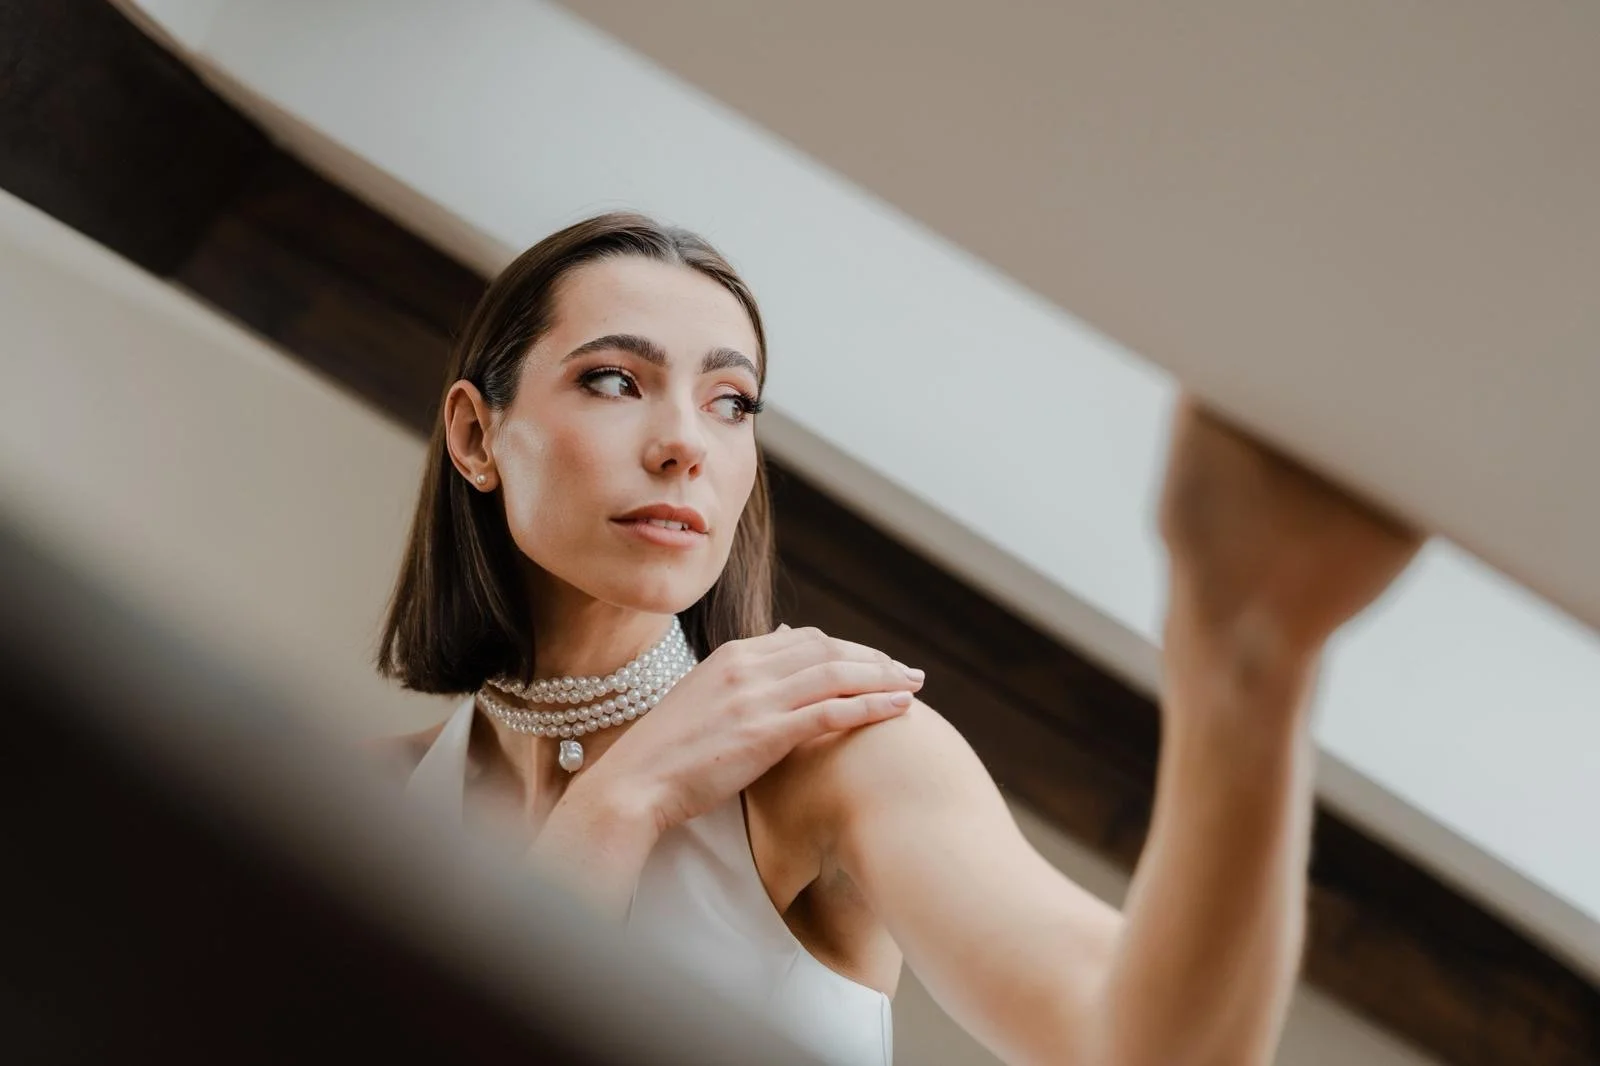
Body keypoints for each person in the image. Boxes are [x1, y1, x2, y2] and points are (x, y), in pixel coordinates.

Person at [372, 213, 1421, 1066]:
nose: (685, 443)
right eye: (614, 379)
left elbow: (1140, 1048)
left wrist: (1241, 656)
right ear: (475, 435)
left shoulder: (837, 758)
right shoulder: (378, 801)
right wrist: (618, 799)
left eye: (731, 401)